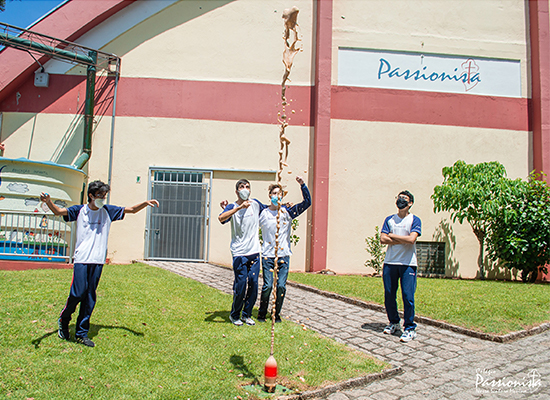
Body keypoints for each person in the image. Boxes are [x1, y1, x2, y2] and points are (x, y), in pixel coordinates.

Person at [40, 180, 159, 347]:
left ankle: (81, 333)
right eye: (100, 196)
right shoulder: (79, 210)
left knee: (89, 297)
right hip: (82, 259)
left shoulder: (107, 211)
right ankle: (64, 319)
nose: (103, 198)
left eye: (104, 196)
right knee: (77, 293)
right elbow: (59, 211)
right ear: (91, 196)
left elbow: (131, 210)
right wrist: (48, 202)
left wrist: (145, 203)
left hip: (97, 260)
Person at [257, 176, 311, 323]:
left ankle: (276, 313)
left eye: (279, 194)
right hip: (268, 255)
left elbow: (307, 203)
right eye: (274, 193)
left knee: (281, 286)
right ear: (270, 196)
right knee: (268, 286)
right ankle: (262, 313)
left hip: (283, 255)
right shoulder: (263, 212)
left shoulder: (288, 212)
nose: (277, 196)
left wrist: (302, 185)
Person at [218, 179, 267, 326]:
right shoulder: (232, 207)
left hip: (254, 251)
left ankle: (247, 314)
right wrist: (238, 208)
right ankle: (235, 314)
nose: (245, 189)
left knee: (253, 283)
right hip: (239, 252)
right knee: (241, 285)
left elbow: (270, 209)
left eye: (247, 187)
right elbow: (221, 218)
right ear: (237, 191)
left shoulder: (256, 204)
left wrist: (284, 205)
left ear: (250, 190)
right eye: (242, 187)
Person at [380, 190, 421, 343]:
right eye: (399, 198)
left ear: (410, 203)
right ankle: (394, 322)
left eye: (404, 199)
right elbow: (382, 239)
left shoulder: (414, 220)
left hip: (408, 264)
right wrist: (402, 239)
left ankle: (410, 328)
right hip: (390, 262)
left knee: (408, 297)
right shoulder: (389, 220)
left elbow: (412, 240)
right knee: (389, 295)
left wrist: (392, 236)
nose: (400, 200)